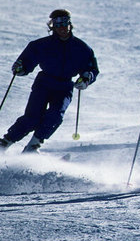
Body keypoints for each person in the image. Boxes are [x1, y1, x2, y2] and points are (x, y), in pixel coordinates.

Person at [0, 10, 98, 153]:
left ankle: (33, 146)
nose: (62, 28)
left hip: (64, 86)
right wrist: (21, 68)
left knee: (55, 116)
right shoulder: (41, 45)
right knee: (32, 118)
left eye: (65, 23)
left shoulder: (81, 48)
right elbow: (25, 62)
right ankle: (5, 143)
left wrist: (86, 78)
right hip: (44, 83)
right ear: (52, 27)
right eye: (58, 25)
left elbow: (91, 68)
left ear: (70, 24)